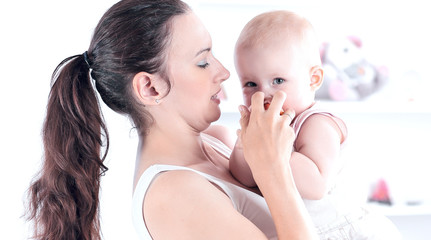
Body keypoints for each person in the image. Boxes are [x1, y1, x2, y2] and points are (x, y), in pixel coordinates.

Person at [26, 1, 319, 239]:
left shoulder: (217, 141)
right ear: (150, 88)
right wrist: (274, 171)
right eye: (203, 62)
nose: (224, 72)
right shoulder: (173, 195)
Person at [230, 10, 401, 239]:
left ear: (314, 80)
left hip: (338, 231)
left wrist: (270, 147)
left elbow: (316, 185)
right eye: (251, 83)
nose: (263, 94)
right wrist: (246, 144)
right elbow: (244, 178)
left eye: (278, 81)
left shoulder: (317, 123)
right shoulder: (265, 131)